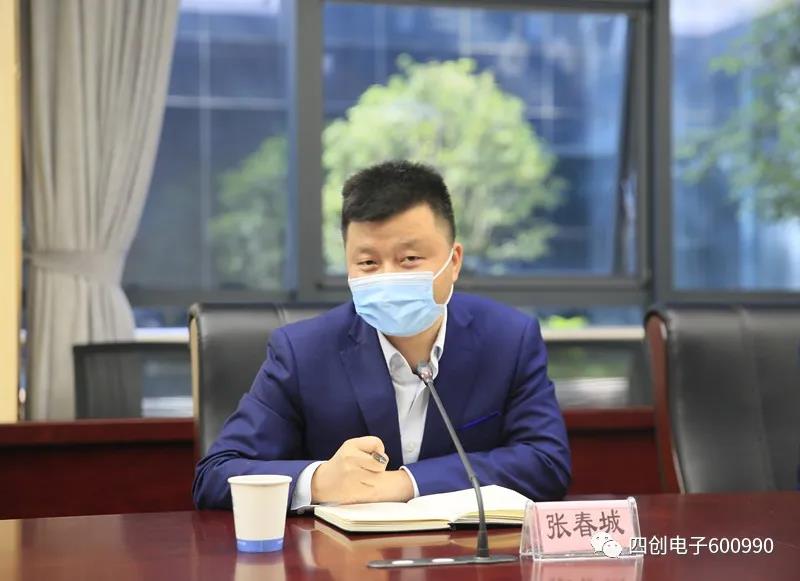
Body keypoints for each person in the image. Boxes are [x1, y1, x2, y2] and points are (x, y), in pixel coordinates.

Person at [192, 160, 571, 510]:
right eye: (368, 262)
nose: (388, 277)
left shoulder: (509, 339)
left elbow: (546, 463)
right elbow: (215, 474)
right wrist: (319, 481)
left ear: (453, 261)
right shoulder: (302, 352)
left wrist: (405, 483)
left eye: (409, 259)